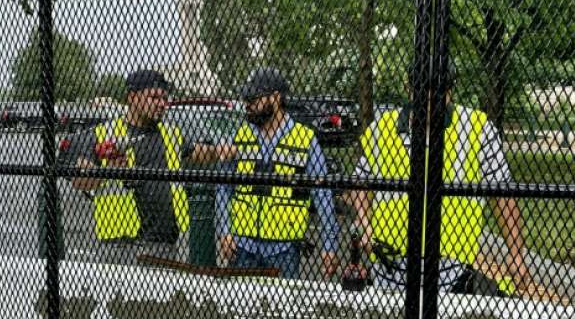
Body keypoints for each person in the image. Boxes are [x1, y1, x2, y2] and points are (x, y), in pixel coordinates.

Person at [346, 63, 530, 295]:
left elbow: (502, 195)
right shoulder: (381, 128)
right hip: (389, 268)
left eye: (440, 95)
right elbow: (359, 182)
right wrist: (363, 219)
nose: (431, 104)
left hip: (450, 271)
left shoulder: (477, 128)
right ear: (409, 90)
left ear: (451, 91)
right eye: (424, 95)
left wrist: (516, 255)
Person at [64, 69, 225, 263]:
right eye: (154, 97)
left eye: (164, 98)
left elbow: (203, 153)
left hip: (165, 243)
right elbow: (81, 182)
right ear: (132, 97)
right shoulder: (104, 133)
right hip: (120, 246)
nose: (162, 104)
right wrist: (107, 172)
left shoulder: (170, 134)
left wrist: (237, 151)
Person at [216, 68, 340, 279]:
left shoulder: (305, 139)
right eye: (246, 99)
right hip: (242, 246)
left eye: (253, 99)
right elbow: (223, 186)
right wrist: (225, 231)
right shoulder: (239, 135)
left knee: (281, 310)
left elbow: (323, 195)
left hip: (284, 251)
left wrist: (329, 245)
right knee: (240, 310)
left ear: (275, 98)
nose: (247, 105)